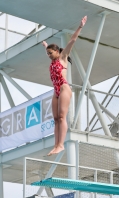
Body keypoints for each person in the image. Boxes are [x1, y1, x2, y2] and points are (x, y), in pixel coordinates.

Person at [42, 16, 87, 156]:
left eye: (50, 53)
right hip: (55, 91)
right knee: (55, 119)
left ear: (57, 52)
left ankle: (61, 145)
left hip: (63, 88)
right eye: (47, 53)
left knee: (62, 117)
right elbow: (49, 48)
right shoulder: (52, 58)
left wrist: (80, 26)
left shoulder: (63, 57)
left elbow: (72, 41)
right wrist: (46, 45)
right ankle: (56, 145)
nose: (48, 55)